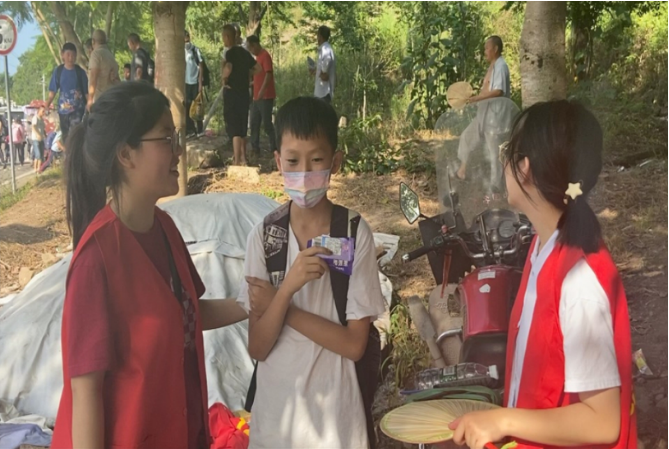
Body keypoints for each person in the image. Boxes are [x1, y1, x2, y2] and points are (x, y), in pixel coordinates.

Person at [50, 82, 248, 449]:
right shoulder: (97, 259)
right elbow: (85, 392)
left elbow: (188, 314)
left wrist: (254, 302)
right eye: (167, 139)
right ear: (126, 154)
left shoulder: (165, 229)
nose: (179, 150)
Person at [448, 100, 636, 449]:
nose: (503, 163)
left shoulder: (579, 280)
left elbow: (603, 421)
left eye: (507, 152)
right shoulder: (542, 246)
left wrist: (504, 420)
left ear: (526, 167)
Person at [237, 97, 386, 449]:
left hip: (336, 426)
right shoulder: (265, 237)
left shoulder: (352, 233)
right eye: (293, 161)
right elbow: (258, 346)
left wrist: (281, 303)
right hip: (276, 425)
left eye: (316, 160)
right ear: (278, 162)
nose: (304, 174)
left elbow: (353, 345)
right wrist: (288, 287)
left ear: (336, 161)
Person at [456, 35, 511, 183]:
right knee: (467, 136)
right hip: (484, 114)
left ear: (495, 49)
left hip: (495, 117)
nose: (485, 51)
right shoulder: (493, 66)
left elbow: (498, 91)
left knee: (494, 152)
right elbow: (487, 89)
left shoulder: (501, 66)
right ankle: (462, 170)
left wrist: (477, 98)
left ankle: (496, 185)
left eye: (487, 48)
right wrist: (474, 97)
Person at [221, 24, 260, 166]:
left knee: (235, 129)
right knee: (243, 128)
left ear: (227, 37)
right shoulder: (245, 53)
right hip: (244, 94)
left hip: (232, 94)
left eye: (223, 37)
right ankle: (244, 158)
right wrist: (247, 74)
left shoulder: (229, 53)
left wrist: (224, 78)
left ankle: (236, 161)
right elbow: (258, 68)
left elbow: (228, 67)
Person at [45, 43, 88, 141]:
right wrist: (47, 104)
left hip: (77, 110)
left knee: (74, 134)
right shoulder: (58, 71)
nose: (70, 58)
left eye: (73, 55)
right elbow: (53, 91)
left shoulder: (80, 72)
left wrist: (89, 103)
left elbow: (86, 91)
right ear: (62, 55)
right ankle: (67, 150)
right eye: (68, 55)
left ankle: (74, 150)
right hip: (63, 111)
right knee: (65, 136)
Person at [247, 35, 277, 155]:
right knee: (254, 123)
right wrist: (252, 84)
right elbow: (260, 76)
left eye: (250, 48)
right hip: (256, 97)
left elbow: (268, 74)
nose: (250, 51)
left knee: (267, 124)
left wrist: (262, 90)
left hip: (265, 96)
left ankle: (275, 148)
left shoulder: (265, 56)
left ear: (254, 45)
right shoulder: (257, 58)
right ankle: (255, 148)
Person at [87, 29, 120, 109]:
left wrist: (90, 99)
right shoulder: (110, 55)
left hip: (100, 99)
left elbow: (93, 77)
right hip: (112, 97)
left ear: (93, 41)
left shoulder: (96, 54)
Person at [185, 30, 204, 138]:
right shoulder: (181, 51)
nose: (186, 40)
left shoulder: (195, 50)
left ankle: (200, 130)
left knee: (198, 107)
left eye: (187, 37)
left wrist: (200, 83)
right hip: (186, 83)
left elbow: (201, 66)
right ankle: (191, 130)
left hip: (195, 82)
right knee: (187, 106)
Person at [311, 26, 336, 103]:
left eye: (318, 35)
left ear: (320, 36)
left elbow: (324, 74)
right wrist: (316, 72)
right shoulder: (324, 49)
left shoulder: (326, 49)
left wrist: (322, 73)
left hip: (324, 93)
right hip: (321, 92)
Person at [31, 107, 46, 173]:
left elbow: (43, 128)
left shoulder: (42, 119)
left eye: (44, 111)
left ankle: (38, 168)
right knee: (38, 154)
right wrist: (38, 134)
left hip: (41, 139)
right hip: (36, 138)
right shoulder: (35, 118)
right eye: (42, 111)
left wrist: (45, 134)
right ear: (39, 111)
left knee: (41, 154)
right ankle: (36, 168)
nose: (44, 113)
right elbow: (33, 127)